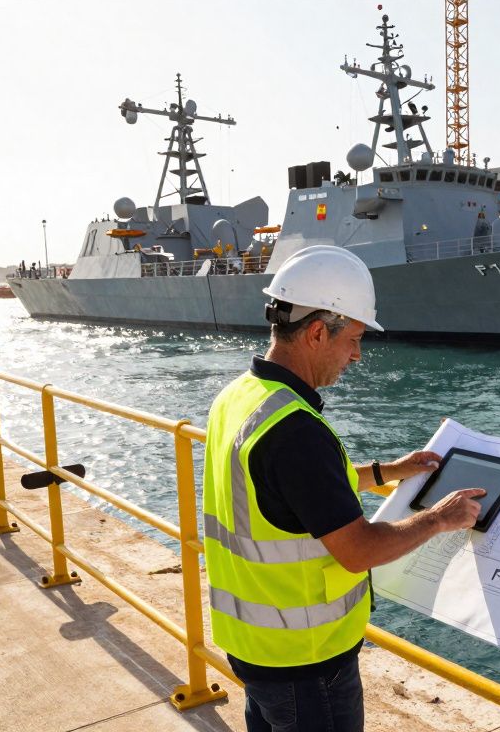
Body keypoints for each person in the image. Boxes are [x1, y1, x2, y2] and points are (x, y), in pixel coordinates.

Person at [202, 245, 484, 732]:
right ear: (316, 332)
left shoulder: (242, 396)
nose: (357, 354)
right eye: (353, 338)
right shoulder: (296, 430)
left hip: (254, 648)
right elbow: (356, 550)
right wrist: (440, 517)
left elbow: (291, 493)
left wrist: (385, 471)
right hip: (308, 662)